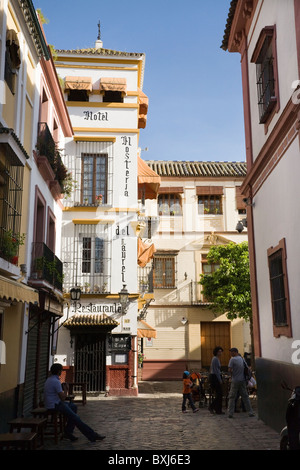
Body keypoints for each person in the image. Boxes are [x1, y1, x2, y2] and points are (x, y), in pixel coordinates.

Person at [44, 363, 106, 442]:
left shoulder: (49, 379)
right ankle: (92, 435)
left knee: (73, 406)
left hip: (51, 403)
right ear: (59, 371)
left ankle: (68, 431)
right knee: (76, 418)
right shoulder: (56, 381)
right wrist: (66, 389)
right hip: (55, 405)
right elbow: (63, 398)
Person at [227, 348, 255, 419]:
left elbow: (229, 369)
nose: (230, 353)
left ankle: (230, 413)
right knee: (245, 397)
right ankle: (250, 412)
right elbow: (247, 369)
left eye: (231, 352)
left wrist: (232, 374)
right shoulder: (242, 359)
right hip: (242, 380)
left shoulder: (232, 360)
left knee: (232, 397)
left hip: (235, 380)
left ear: (235, 352)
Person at [208, 346, 224, 415]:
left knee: (219, 394)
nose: (220, 353)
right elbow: (216, 370)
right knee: (219, 394)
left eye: (221, 352)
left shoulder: (216, 359)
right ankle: (212, 406)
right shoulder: (215, 359)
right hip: (215, 377)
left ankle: (218, 410)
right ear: (216, 352)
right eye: (219, 352)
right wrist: (220, 380)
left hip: (215, 376)